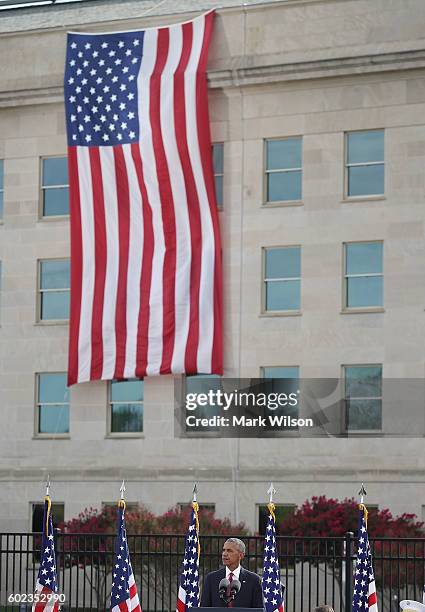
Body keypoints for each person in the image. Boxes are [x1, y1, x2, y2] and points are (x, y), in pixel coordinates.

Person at [201, 537, 263, 608]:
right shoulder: (211, 579)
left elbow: (259, 609)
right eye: (223, 550)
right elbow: (204, 608)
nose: (224, 554)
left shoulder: (254, 580)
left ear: (241, 555)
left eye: (229, 551)